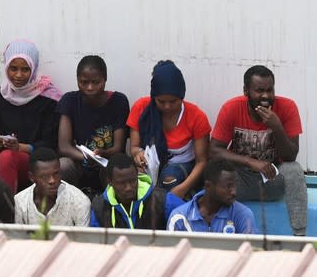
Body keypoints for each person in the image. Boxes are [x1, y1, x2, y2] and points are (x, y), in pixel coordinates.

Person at [210, 65, 307, 236]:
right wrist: (250, 162)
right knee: (215, 172)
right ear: (246, 91)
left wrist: (276, 126)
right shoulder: (231, 108)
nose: (266, 96)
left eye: (270, 90)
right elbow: (215, 151)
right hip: (240, 178)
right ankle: (219, 231)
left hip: (271, 177)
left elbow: (291, 155)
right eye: (259, 90)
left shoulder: (287, 107)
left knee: (294, 171)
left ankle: (299, 236)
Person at [126, 60, 211, 199]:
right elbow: (134, 148)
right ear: (154, 96)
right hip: (149, 164)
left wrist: (183, 188)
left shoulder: (196, 117)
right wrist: (138, 156)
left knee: (169, 180)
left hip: (181, 166)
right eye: (161, 101)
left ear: (181, 96)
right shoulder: (142, 108)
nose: (167, 106)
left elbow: (202, 161)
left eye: (173, 101)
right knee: (133, 183)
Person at [0, 39, 61, 193]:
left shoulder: (48, 99)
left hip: (36, 161)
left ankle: (6, 209)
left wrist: (20, 147)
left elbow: (51, 144)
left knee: (8, 156)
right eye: (13, 68)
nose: (18, 75)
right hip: (4, 157)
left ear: (33, 69)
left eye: (25, 69)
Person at [57, 55, 130, 195]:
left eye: (96, 82)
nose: (89, 87)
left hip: (107, 162)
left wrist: (102, 155)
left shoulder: (118, 101)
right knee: (62, 166)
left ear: (105, 79)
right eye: (84, 82)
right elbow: (64, 147)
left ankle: (111, 209)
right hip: (79, 162)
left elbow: (118, 148)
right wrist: (86, 158)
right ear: (77, 80)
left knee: (115, 169)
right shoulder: (70, 101)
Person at [90, 153, 184, 229]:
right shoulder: (99, 208)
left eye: (133, 181)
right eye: (122, 183)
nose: (129, 187)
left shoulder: (162, 199)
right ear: (110, 182)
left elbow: (187, 213)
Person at [167, 160, 257, 234]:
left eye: (234, 186)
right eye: (228, 186)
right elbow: (171, 254)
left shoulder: (242, 214)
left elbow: (252, 252)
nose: (234, 192)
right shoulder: (179, 217)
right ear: (208, 186)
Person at [14, 147, 90, 226]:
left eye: (56, 173)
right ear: (32, 177)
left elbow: (83, 238)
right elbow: (17, 237)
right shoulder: (20, 202)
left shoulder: (79, 201)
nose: (52, 180)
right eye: (44, 176)